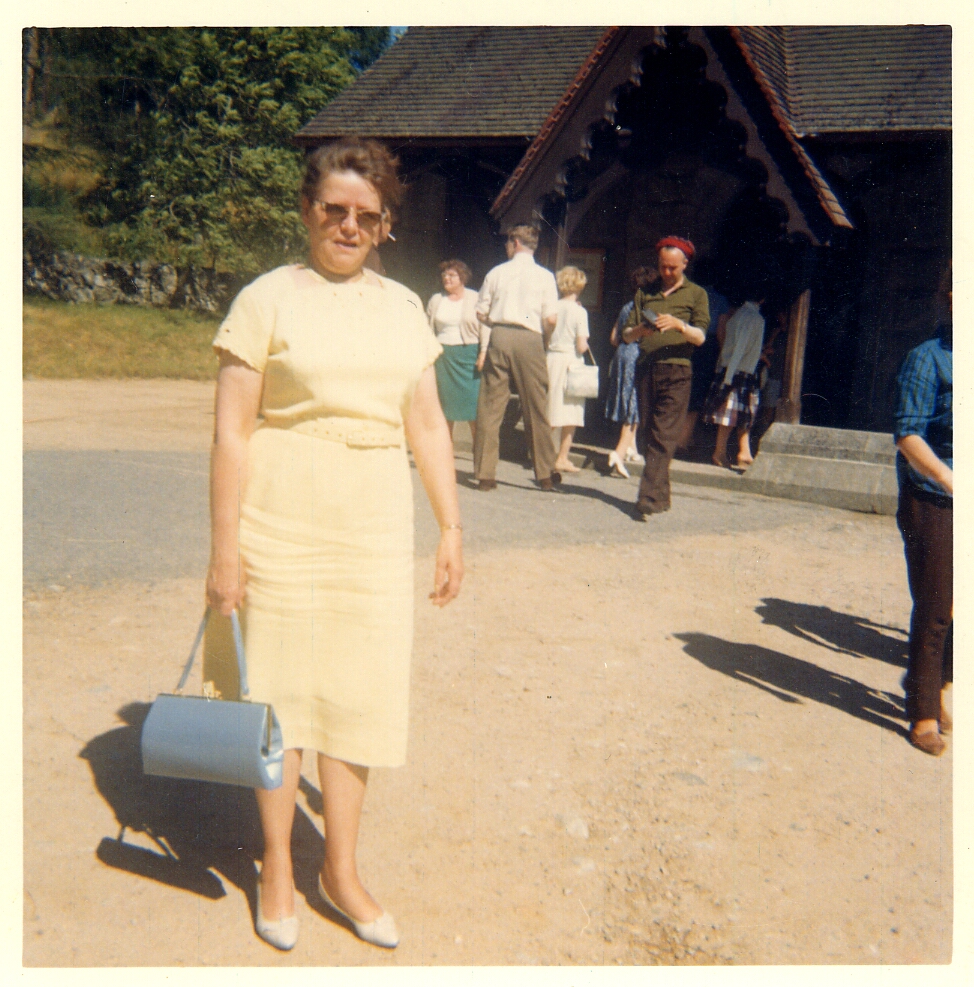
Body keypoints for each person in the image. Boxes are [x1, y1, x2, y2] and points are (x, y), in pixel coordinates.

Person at [204, 137, 464, 950]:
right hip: (279, 517)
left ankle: (341, 870)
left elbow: (428, 423)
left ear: (385, 224)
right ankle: (279, 862)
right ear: (306, 210)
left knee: (359, 697)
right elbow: (230, 433)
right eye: (334, 209)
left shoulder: (404, 308)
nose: (349, 226)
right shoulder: (264, 300)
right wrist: (224, 551)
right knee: (278, 693)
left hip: (373, 524)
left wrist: (451, 526)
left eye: (366, 215)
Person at [892, 265, 952, 756]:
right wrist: (952, 481)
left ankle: (937, 684)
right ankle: (923, 711)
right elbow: (908, 436)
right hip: (933, 496)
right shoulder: (927, 359)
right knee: (936, 604)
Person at [623, 236, 710, 518]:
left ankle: (647, 497)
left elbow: (700, 337)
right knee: (649, 433)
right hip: (647, 368)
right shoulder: (645, 292)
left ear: (685, 264)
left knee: (664, 435)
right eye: (663, 266)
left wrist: (679, 325)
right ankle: (662, 496)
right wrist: (641, 330)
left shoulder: (696, 294)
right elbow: (626, 335)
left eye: (673, 267)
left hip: (678, 370)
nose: (667, 272)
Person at [473, 224, 561, 491]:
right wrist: (544, 340)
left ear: (515, 243)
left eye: (508, 243)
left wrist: (496, 323)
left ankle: (485, 474)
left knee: (490, 406)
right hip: (531, 337)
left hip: (500, 334)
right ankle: (545, 474)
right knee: (536, 405)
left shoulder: (496, 272)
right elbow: (551, 319)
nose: (506, 247)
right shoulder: (545, 276)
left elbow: (480, 311)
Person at [703, 294, 766, 469]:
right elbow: (739, 348)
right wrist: (729, 378)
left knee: (742, 413)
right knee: (731, 414)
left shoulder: (738, 315)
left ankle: (744, 452)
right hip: (739, 371)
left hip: (731, 368)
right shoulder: (754, 318)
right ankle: (721, 452)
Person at [426, 259, 484, 447]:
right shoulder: (436, 299)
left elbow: (485, 327)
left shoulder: (475, 298)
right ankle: (445, 452)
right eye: (444, 275)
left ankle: (479, 456)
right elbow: (428, 329)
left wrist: (483, 353)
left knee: (473, 409)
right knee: (445, 409)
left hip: (468, 356)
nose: (446, 278)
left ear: (463, 278)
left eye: (452, 275)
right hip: (443, 357)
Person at [604, 267, 651, 479]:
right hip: (636, 355)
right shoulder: (645, 311)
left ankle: (631, 448)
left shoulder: (626, 307)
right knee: (634, 402)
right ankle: (621, 451)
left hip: (621, 355)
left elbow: (614, 338)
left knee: (627, 401)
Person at [545, 266, 591, 473]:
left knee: (551, 408)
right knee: (571, 412)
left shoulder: (552, 307)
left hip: (551, 359)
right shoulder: (580, 312)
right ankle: (562, 458)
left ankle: (543, 455)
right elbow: (581, 346)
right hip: (571, 362)